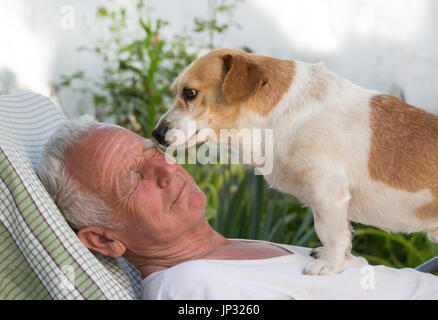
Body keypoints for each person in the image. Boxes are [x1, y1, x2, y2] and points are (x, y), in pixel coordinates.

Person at [37, 115, 438, 300]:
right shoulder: (190, 289)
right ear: (105, 240)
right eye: (132, 178)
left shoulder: (219, 255)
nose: (165, 168)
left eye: (150, 152)